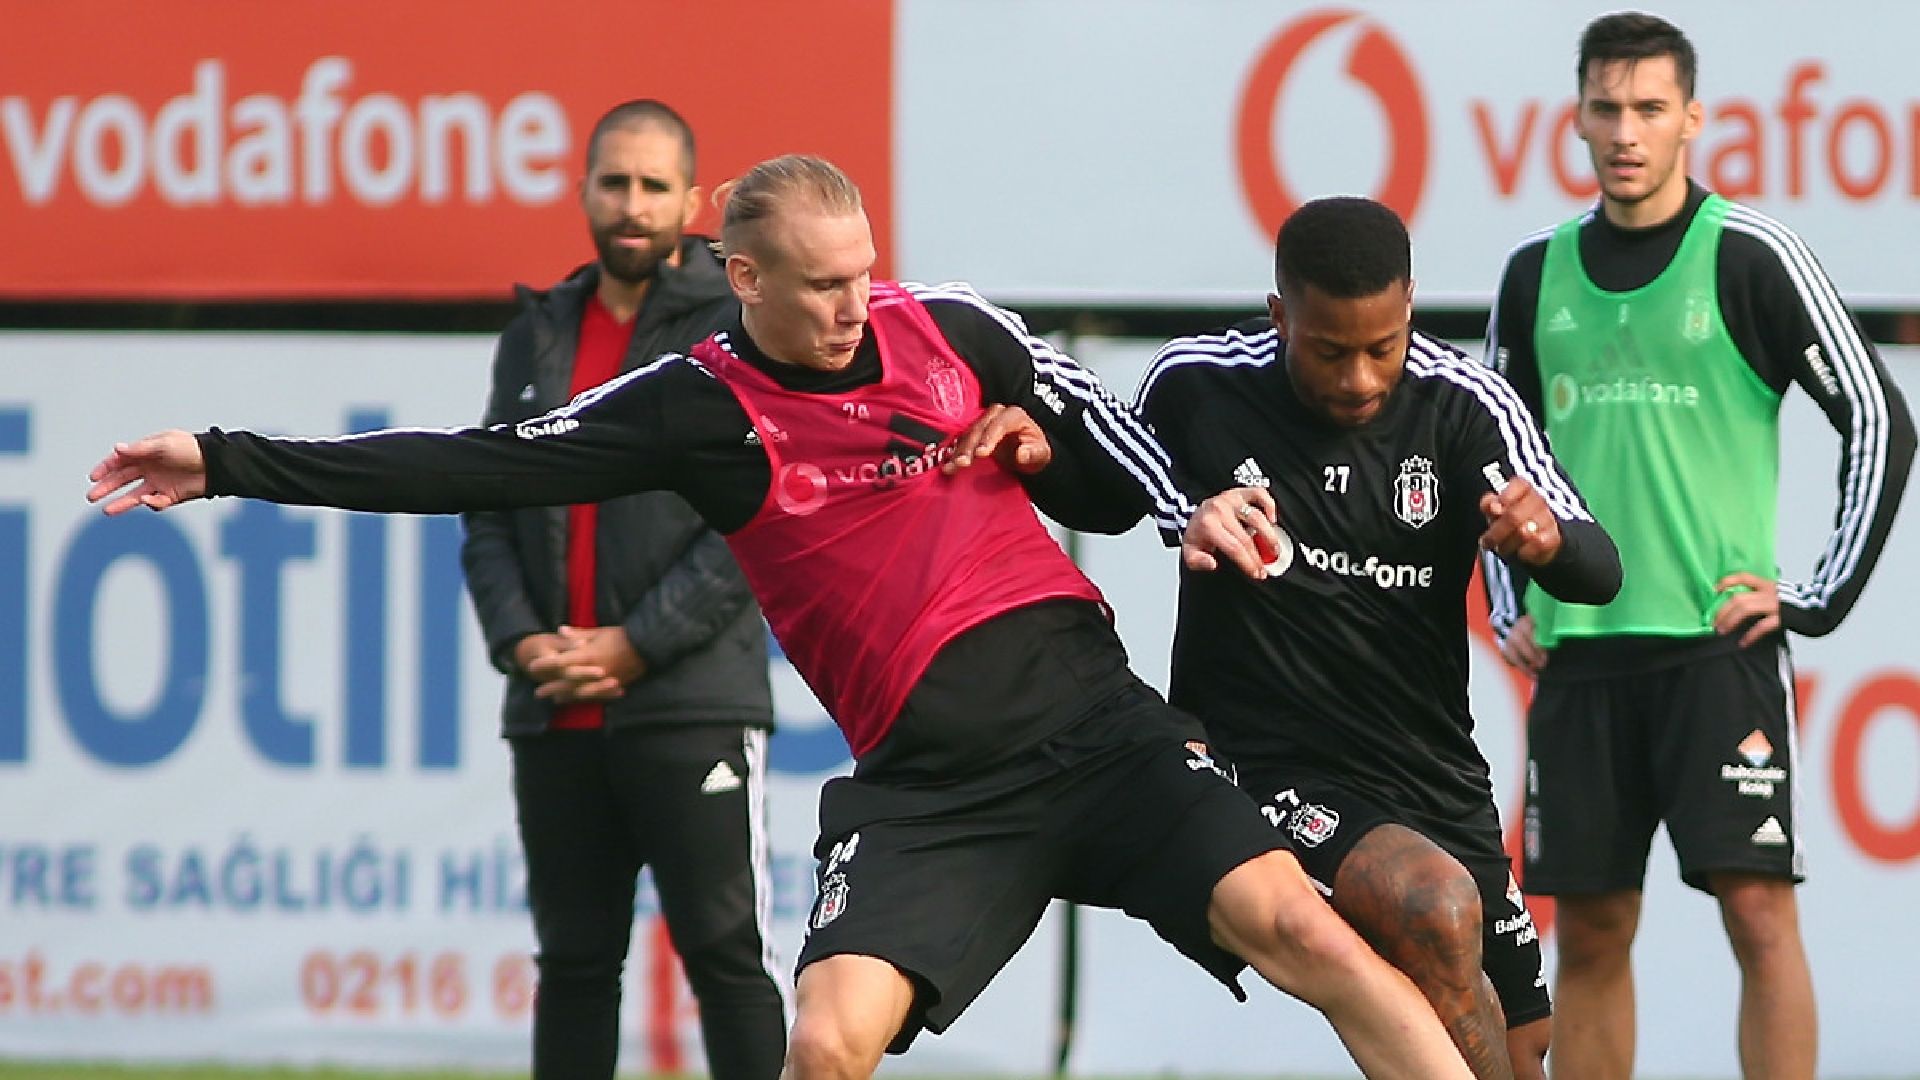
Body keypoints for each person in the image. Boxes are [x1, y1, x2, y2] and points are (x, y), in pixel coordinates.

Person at [87, 154, 1476, 1079]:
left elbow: (1116, 457)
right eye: (820, 283)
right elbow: (483, 460)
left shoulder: (951, 330)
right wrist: (224, 459)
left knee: (1312, 938)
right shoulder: (700, 407)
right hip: (933, 792)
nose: (853, 302)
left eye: (864, 268)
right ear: (742, 278)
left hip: (1102, 732)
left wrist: (1167, 504)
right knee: (822, 1045)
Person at [1482, 13, 1916, 1080]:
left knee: (1760, 919)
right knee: (1586, 933)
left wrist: (1810, 596)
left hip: (1717, 654)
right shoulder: (1535, 275)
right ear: (1576, 117)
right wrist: (1509, 602)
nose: (1626, 131)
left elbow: (1878, 415)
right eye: (1607, 108)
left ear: (1694, 119)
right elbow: (1488, 451)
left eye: (1649, 109)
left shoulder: (1752, 254)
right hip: (1582, 653)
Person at [1135, 196, 1620, 1080]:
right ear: (1281, 314)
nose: (1359, 377)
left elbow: (1599, 566)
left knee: (1521, 1046)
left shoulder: (1463, 405)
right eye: (1327, 351)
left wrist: (1548, 541)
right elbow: (1106, 477)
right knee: (1431, 908)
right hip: (1268, 760)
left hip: (1429, 763)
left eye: (1381, 348)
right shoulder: (1197, 385)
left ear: (1410, 309)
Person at [458, 100, 786, 1080]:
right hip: (555, 706)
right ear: (585, 194)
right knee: (573, 965)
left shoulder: (736, 326)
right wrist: (523, 643)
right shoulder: (536, 332)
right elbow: (485, 500)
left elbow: (761, 517)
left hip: (689, 702)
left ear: (691, 200)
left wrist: (637, 643)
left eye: (653, 186)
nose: (632, 205)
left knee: (728, 961)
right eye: (614, 183)